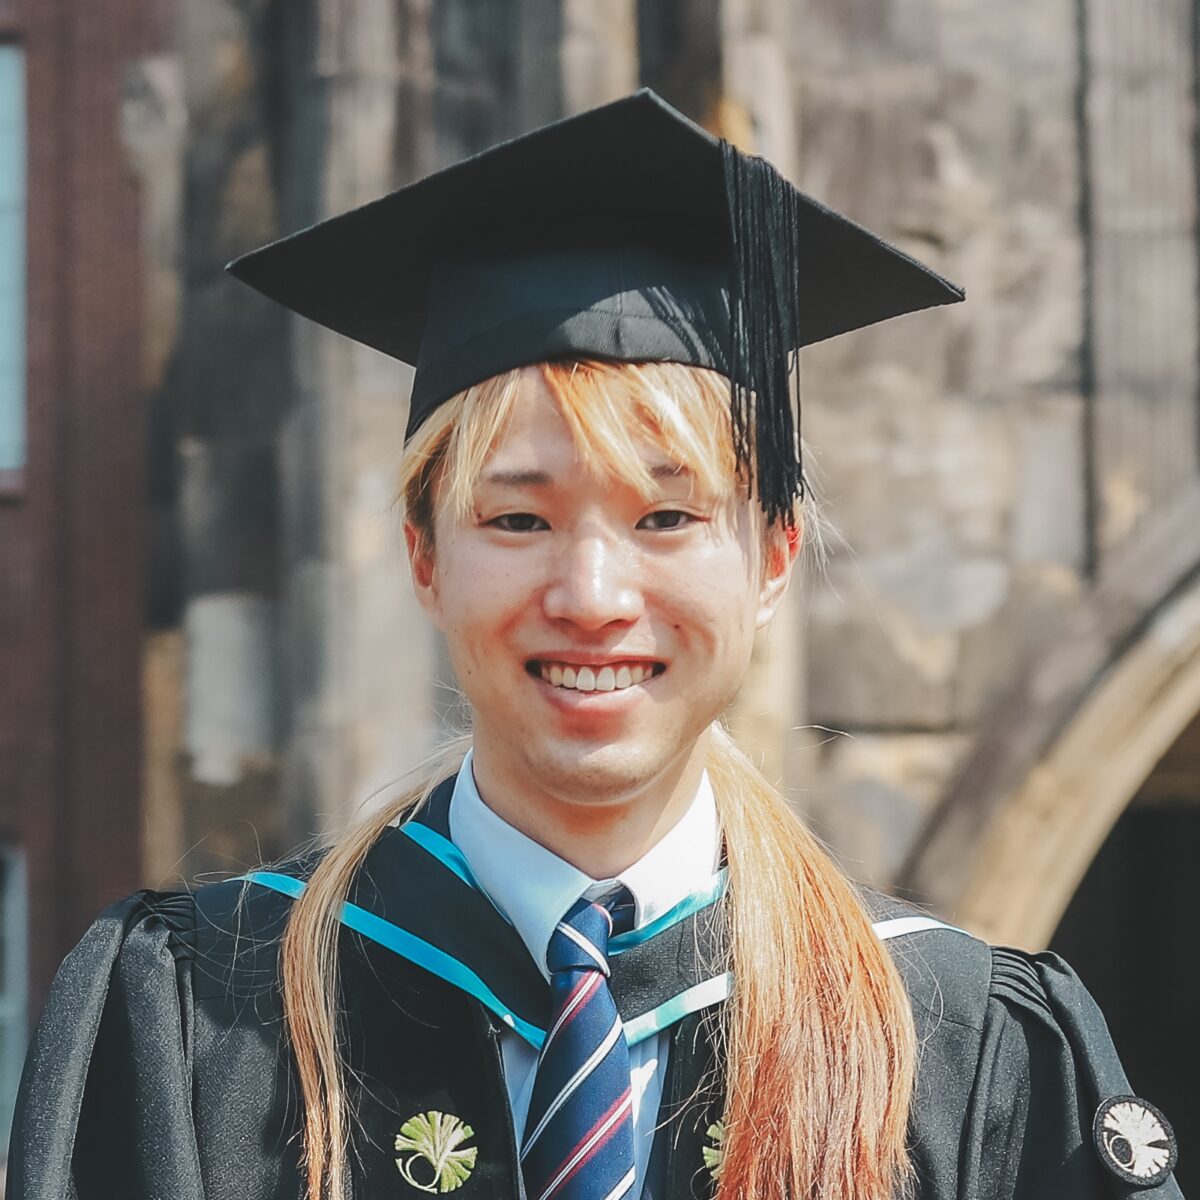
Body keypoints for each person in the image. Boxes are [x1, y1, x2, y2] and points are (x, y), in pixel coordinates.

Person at [8, 90, 1181, 1200]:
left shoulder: (954, 1042)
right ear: (424, 556)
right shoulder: (203, 1019)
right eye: (517, 519)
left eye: (667, 516)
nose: (592, 594)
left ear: (774, 557)